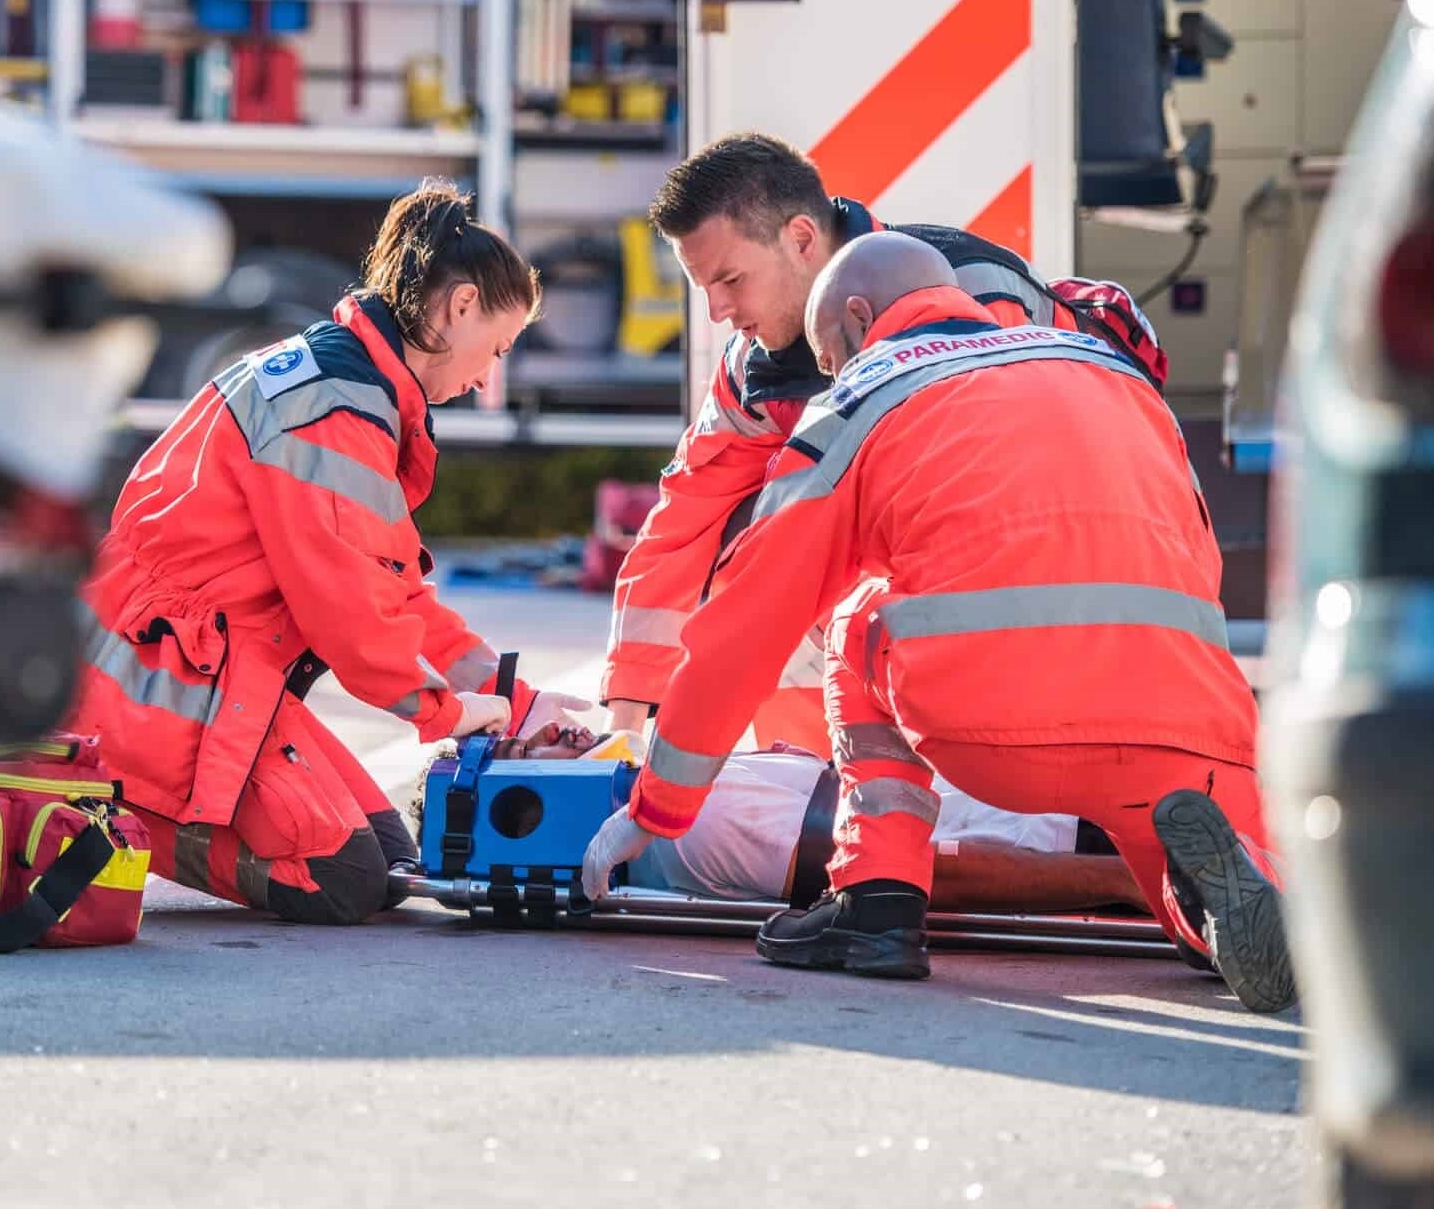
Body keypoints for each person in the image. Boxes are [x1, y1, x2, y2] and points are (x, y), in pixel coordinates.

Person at [579, 231, 1295, 1013]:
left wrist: (659, 807)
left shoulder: (864, 393)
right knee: (1188, 884)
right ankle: (1223, 922)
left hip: (992, 732)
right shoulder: (1110, 371)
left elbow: (747, 623)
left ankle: (875, 902)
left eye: (829, 354)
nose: (830, 372)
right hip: (1189, 725)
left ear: (857, 319)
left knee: (856, 620)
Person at [69, 180, 593, 926]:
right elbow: (354, 619)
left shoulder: (350, 387)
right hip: (161, 686)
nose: (486, 379)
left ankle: (131, 787)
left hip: (205, 672)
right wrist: (449, 712)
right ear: (462, 306)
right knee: (346, 880)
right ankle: (114, 801)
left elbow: (394, 592)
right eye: (497, 350)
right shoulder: (335, 411)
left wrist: (518, 702)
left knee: (392, 864)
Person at [601, 132, 1155, 759]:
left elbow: (1017, 496)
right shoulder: (751, 369)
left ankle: (1003, 788)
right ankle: (811, 788)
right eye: (704, 286)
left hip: (1059, 578)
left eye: (729, 279)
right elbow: (684, 525)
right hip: (959, 579)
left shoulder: (974, 295)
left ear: (802, 240)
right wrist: (626, 721)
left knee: (810, 583)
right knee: (748, 570)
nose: (717, 311)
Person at [404, 726, 1148, 915]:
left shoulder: (676, 789)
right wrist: (1125, 882)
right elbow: (919, 868)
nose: (550, 732)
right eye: (520, 752)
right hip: (1061, 829)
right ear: (521, 795)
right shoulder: (686, 830)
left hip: (1058, 797)